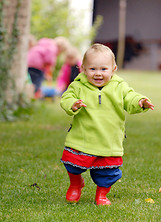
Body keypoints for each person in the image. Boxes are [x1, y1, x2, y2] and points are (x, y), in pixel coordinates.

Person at [60, 43, 154, 206]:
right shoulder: (78, 85)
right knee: (72, 163)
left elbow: (129, 97)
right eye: (92, 69)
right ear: (83, 68)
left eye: (103, 69)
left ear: (113, 69)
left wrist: (139, 102)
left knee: (108, 172)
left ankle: (101, 194)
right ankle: (76, 184)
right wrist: (73, 104)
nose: (98, 74)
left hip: (108, 140)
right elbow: (67, 97)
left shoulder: (119, 86)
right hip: (82, 137)